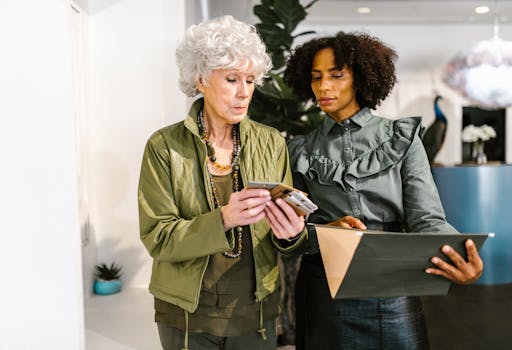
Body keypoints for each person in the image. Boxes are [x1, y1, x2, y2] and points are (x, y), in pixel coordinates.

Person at [283, 32, 484, 350]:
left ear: (361, 78)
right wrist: (321, 232)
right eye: (316, 77)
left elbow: (427, 218)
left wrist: (457, 252)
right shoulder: (299, 149)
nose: (323, 86)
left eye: (337, 75)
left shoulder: (401, 138)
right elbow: (288, 234)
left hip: (393, 286)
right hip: (324, 290)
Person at [138, 15, 305, 350]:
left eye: (250, 80)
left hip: (256, 315)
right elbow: (158, 238)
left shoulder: (271, 142)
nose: (244, 92)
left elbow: (284, 234)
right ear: (200, 78)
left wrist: (291, 235)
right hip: (186, 316)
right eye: (231, 79)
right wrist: (225, 218)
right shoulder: (164, 146)